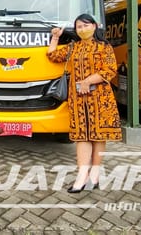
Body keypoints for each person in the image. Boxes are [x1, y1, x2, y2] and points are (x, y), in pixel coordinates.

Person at [47, 13, 122, 192]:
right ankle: (82, 175)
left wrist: (88, 81)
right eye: (79, 27)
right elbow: (52, 55)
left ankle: (94, 176)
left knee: (98, 136)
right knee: (82, 136)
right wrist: (55, 38)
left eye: (85, 26)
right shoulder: (73, 47)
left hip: (101, 99)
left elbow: (110, 69)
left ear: (94, 26)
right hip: (79, 99)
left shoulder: (104, 47)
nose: (82, 29)